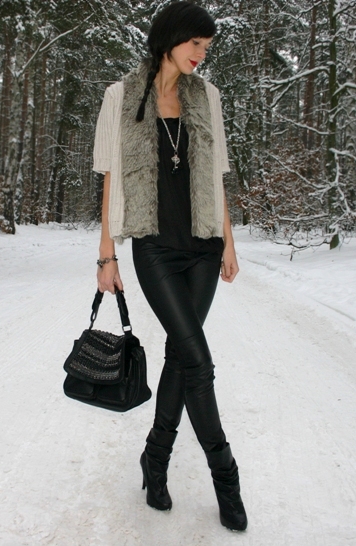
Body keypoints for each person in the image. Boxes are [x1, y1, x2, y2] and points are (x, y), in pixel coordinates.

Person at [92, 1, 247, 532]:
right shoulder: (121, 96)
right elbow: (109, 175)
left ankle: (154, 459)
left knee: (182, 356)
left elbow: (218, 174)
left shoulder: (208, 97)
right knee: (198, 361)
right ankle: (226, 477)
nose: (201, 54)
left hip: (203, 247)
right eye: (195, 43)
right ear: (170, 38)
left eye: (207, 47)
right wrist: (107, 253)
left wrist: (228, 243)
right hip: (155, 248)